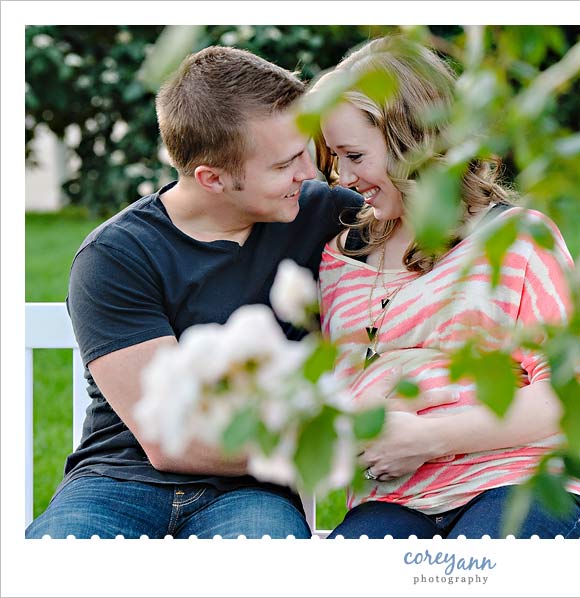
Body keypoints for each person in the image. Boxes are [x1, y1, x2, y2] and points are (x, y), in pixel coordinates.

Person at [25, 46, 361, 539]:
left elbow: (443, 226)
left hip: (252, 492)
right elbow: (169, 441)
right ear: (213, 178)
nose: (308, 173)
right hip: (117, 480)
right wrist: (336, 445)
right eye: (284, 163)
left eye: (304, 151)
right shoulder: (116, 255)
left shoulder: (319, 214)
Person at [314, 37, 580, 539]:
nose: (343, 176)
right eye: (336, 158)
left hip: (520, 482)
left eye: (354, 155)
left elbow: (564, 399)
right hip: (394, 502)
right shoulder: (340, 259)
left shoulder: (516, 239)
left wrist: (425, 436)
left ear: (412, 140)